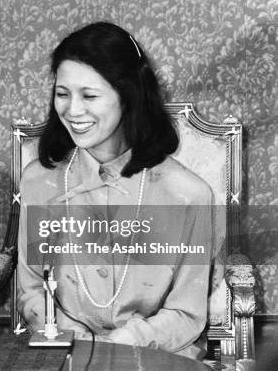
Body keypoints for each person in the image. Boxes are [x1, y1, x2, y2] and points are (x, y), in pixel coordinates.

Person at [16, 22, 213, 359]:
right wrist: (71, 338)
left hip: (158, 358)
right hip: (63, 353)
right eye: (62, 94)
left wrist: (121, 345)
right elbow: (31, 289)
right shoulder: (39, 181)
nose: (73, 110)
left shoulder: (189, 195)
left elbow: (187, 313)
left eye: (89, 95)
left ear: (128, 97)